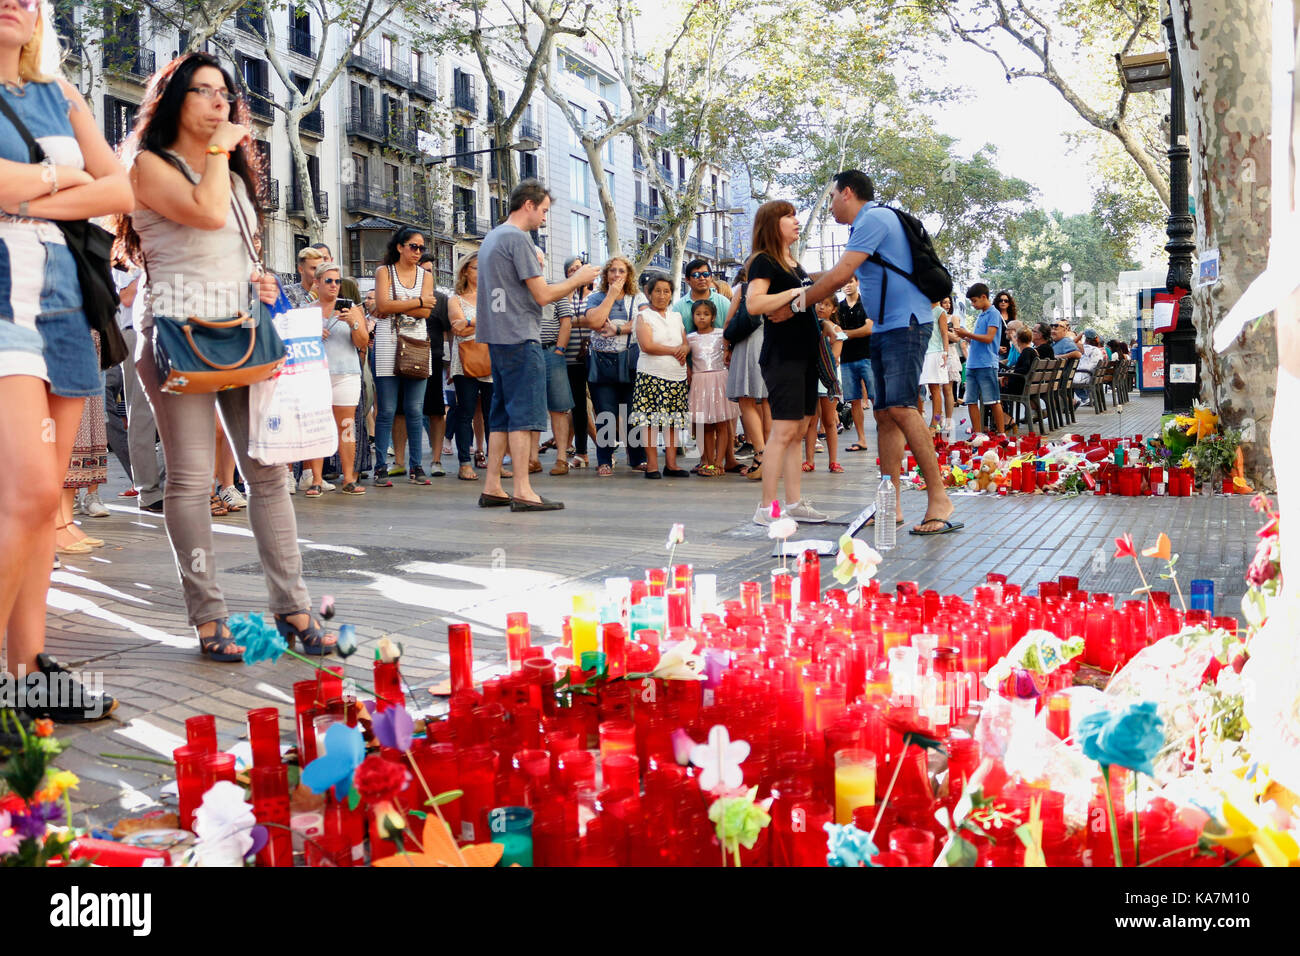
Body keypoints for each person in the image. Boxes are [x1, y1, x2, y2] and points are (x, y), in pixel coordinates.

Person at [121, 50, 336, 662]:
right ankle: (209, 616)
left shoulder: (237, 178)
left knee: (267, 470)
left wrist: (261, 284)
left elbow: (238, 248)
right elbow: (205, 212)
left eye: (226, 95)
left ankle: (292, 606)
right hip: (176, 330)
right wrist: (220, 153)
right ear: (174, 102)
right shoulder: (147, 165)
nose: (221, 104)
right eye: (205, 93)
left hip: (241, 327)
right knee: (189, 479)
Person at [0, 0, 132, 718]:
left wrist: (34, 188)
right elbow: (89, 189)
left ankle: (26, 675)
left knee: (43, 505)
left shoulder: (61, 93)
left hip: (65, 304)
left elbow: (122, 189)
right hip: (1, 297)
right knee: (22, 493)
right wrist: (67, 184)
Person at [780, 171, 959, 535]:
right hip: (887, 326)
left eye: (832, 197)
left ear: (848, 193)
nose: (830, 206)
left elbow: (838, 276)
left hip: (906, 323)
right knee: (886, 414)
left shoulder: (874, 218)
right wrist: (792, 279)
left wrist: (795, 304)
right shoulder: (868, 223)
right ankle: (888, 505)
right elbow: (833, 274)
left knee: (902, 408)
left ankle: (939, 498)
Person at [474, 179, 599, 511]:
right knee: (523, 415)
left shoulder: (492, 237)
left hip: (497, 336)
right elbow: (543, 295)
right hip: (519, 335)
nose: (545, 217)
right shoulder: (518, 239)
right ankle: (522, 490)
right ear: (528, 205)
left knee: (501, 413)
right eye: (543, 210)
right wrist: (577, 280)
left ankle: (492, 486)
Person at [745, 199, 837, 526]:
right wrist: (792, 293)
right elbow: (754, 303)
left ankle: (794, 502)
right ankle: (766, 509)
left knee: (798, 431)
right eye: (789, 216)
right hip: (782, 355)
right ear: (773, 224)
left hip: (805, 353)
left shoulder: (793, 263)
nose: (796, 222)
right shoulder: (764, 261)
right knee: (782, 432)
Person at [371, 226, 434, 486]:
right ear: (400, 247)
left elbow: (428, 313)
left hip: (417, 344)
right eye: (413, 246)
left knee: (415, 409)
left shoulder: (425, 276)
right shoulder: (383, 272)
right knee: (386, 410)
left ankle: (416, 465)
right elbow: (382, 306)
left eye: (421, 248)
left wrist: (403, 305)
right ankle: (380, 467)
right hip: (387, 344)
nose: (418, 252)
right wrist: (417, 302)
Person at [672, 257, 740, 474]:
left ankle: (725, 460)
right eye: (696, 275)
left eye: (705, 274)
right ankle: (706, 460)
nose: (701, 279)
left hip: (720, 374)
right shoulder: (680, 307)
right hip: (697, 376)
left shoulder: (723, 302)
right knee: (701, 422)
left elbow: (732, 333)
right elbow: (678, 341)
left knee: (724, 419)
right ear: (687, 279)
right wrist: (687, 369)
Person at [308, 262, 368, 495]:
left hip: (346, 372)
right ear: (317, 283)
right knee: (317, 427)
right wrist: (311, 334)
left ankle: (349, 478)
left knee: (346, 427)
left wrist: (353, 322)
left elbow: (362, 343)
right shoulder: (307, 311)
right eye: (329, 281)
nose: (334, 285)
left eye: (337, 281)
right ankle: (315, 479)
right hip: (316, 374)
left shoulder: (352, 309)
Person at [586, 255, 648, 477]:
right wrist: (611, 295)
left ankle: (637, 457)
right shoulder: (595, 297)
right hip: (603, 363)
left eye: (621, 271)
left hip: (631, 362)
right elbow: (594, 321)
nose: (616, 275)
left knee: (633, 412)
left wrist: (619, 329)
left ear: (628, 274)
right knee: (605, 413)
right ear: (605, 274)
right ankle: (604, 460)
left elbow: (644, 320)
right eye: (612, 270)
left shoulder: (637, 297)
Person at [630, 275, 691, 479]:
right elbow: (647, 345)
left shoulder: (676, 317)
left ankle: (671, 464)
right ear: (649, 293)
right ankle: (652, 465)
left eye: (666, 291)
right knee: (651, 422)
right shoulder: (643, 317)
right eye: (658, 291)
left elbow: (685, 343)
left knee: (672, 421)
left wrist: (684, 349)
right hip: (651, 375)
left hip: (677, 376)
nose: (662, 295)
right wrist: (676, 350)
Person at [448, 253, 494, 481]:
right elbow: (457, 329)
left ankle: (495, 464)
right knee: (465, 412)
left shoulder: (493, 296)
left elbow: (501, 321)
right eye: (477, 268)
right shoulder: (454, 299)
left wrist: (469, 322)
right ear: (465, 270)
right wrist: (483, 322)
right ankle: (465, 462)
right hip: (464, 361)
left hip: (491, 359)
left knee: (492, 414)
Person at [723, 265, 769, 480]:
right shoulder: (778, 287)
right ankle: (772, 456)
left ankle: (760, 454)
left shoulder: (742, 289)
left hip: (747, 345)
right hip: (772, 344)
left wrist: (726, 348)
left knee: (746, 400)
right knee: (769, 402)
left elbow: (729, 321)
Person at [534, 247, 574, 476]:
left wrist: (559, 350)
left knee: (559, 408)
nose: (537, 265)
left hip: (551, 352)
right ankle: (532, 459)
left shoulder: (555, 288)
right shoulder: (518, 289)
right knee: (532, 408)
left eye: (540, 261)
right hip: (527, 354)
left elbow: (566, 322)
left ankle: (561, 458)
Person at [687, 300, 736, 477]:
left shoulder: (721, 334)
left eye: (706, 314)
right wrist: (687, 369)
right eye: (698, 314)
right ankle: (707, 461)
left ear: (713, 317)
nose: (702, 317)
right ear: (693, 316)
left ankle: (719, 462)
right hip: (700, 382)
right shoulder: (690, 337)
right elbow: (684, 355)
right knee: (705, 425)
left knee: (722, 423)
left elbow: (730, 351)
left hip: (719, 379)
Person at [954, 283, 1006, 437]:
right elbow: (978, 340)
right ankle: (978, 433)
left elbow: (989, 338)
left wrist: (968, 334)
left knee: (993, 400)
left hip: (986, 364)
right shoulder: (981, 315)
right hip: (972, 364)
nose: (973, 304)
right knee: (970, 401)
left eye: (974, 301)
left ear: (984, 297)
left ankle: (1001, 433)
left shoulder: (993, 314)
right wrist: (966, 337)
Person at [560, 255, 593, 468]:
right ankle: (582, 452)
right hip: (570, 360)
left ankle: (609, 450)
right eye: (572, 270)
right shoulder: (562, 297)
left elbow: (597, 319)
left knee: (602, 404)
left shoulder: (596, 296)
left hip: (595, 358)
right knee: (578, 408)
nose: (576, 272)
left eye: (579, 268)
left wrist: (571, 321)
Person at [836, 275, 874, 453]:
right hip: (846, 359)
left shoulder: (866, 303)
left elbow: (869, 329)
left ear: (857, 283)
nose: (847, 285)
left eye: (850, 281)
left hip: (867, 356)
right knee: (854, 401)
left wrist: (846, 333)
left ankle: (885, 434)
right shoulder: (838, 307)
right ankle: (861, 439)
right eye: (844, 282)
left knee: (876, 398)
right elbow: (835, 332)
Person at [806, 296, 843, 473]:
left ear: (834, 309)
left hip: (828, 379)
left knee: (829, 421)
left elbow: (835, 357)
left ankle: (833, 460)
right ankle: (809, 459)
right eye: (819, 303)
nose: (822, 307)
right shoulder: (810, 327)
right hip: (811, 377)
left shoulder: (836, 330)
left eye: (827, 305)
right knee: (811, 421)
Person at [917, 297, 949, 437]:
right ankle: (917, 423)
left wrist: (945, 352)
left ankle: (935, 423)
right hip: (919, 352)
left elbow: (944, 333)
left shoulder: (939, 311)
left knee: (934, 389)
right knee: (916, 388)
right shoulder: (919, 308)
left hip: (935, 352)